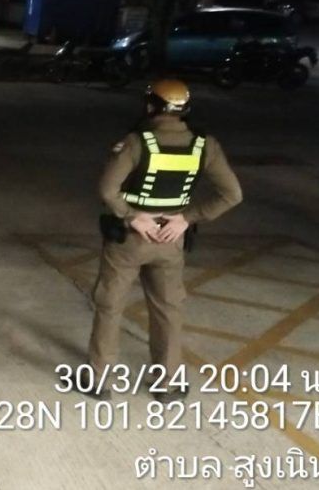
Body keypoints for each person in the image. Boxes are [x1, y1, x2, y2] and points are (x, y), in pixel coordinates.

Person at [86, 79, 242, 402]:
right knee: (169, 309)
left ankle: (99, 379)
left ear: (150, 106)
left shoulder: (135, 143)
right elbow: (232, 194)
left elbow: (107, 190)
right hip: (170, 239)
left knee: (110, 304)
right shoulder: (205, 146)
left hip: (130, 240)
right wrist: (187, 218)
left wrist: (132, 216)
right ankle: (167, 383)